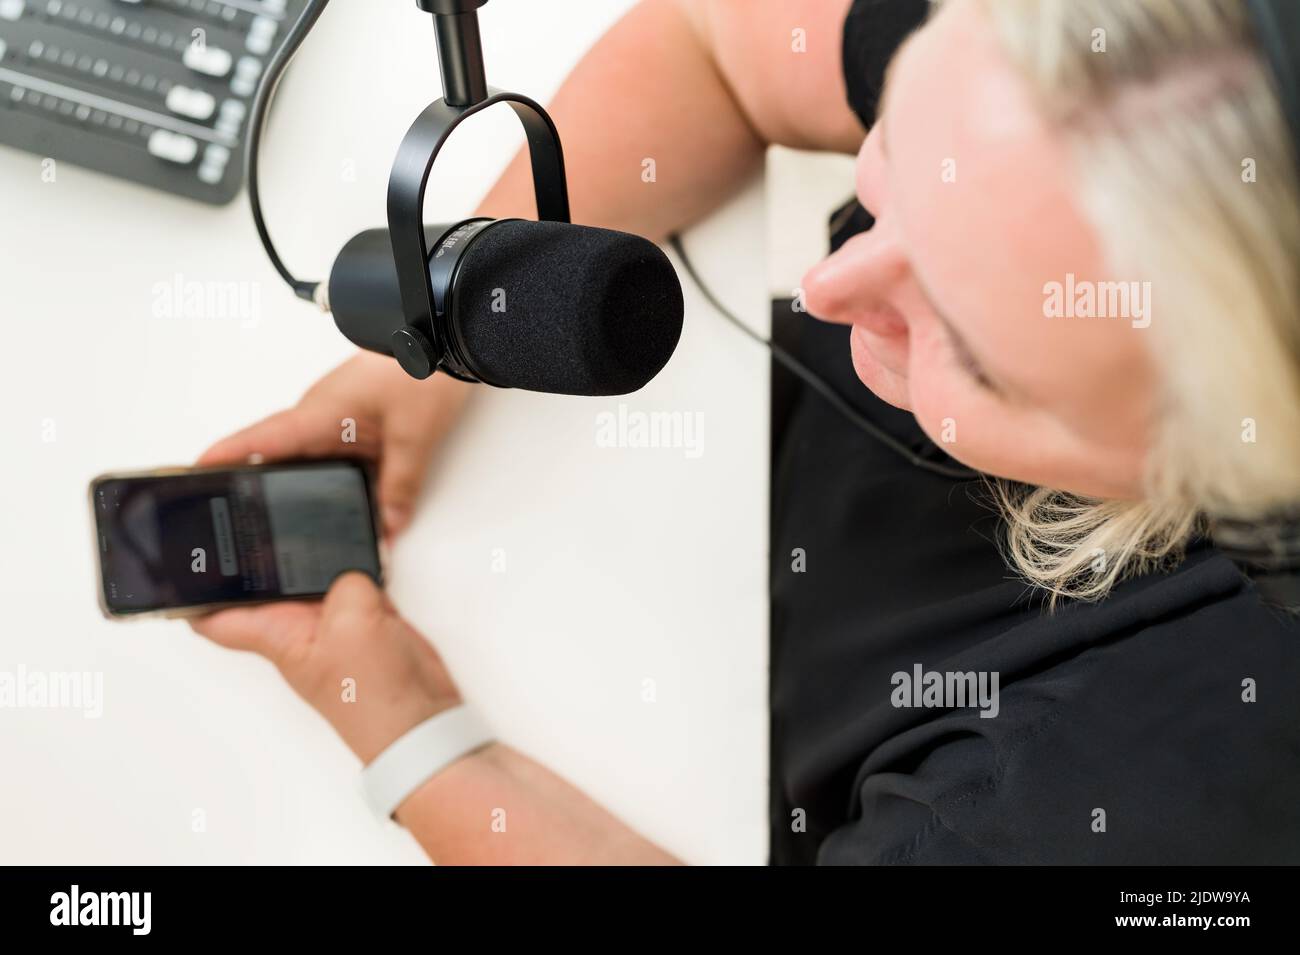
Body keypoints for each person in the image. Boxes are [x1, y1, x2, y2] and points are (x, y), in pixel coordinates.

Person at [191, 0, 1300, 864]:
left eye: (970, 351)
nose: (823, 284)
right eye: (896, 167)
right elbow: (720, 47)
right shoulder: (1129, 66)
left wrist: (410, 732)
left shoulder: (1098, 812)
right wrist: (458, 329)